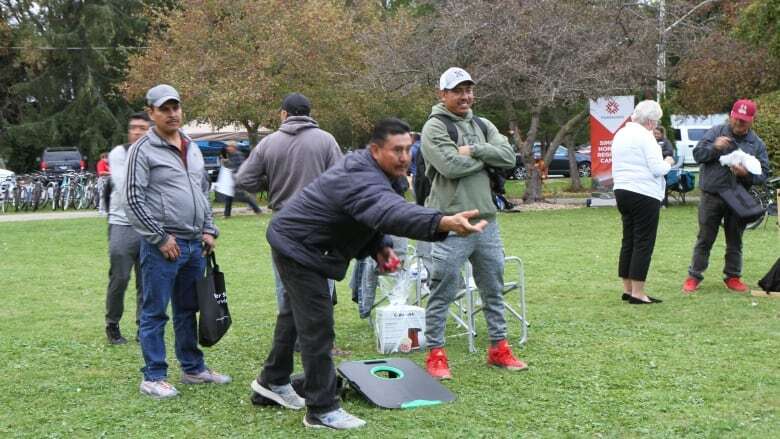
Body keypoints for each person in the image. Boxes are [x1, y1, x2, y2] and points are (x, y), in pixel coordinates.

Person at [253, 118, 487, 430]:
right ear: (375, 150)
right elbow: (388, 211)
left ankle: (272, 381)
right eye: (396, 150)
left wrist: (381, 247)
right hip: (299, 247)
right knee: (317, 325)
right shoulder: (361, 176)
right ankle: (322, 409)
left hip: (300, 243)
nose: (405, 157)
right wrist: (442, 222)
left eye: (408, 149)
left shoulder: (381, 173)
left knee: (295, 316)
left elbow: (368, 216)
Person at [124, 84, 230, 399]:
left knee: (188, 309)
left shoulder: (191, 146)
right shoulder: (142, 150)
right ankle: (153, 376)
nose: (172, 114)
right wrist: (160, 237)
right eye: (164, 109)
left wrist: (209, 229)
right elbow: (133, 198)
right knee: (155, 311)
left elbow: (202, 191)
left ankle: (192, 368)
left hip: (194, 244)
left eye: (176, 107)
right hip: (163, 246)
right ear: (151, 112)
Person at [420, 67, 525, 380]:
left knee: (493, 288)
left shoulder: (482, 124)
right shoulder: (434, 127)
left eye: (468, 89)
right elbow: (450, 165)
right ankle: (436, 355)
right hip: (450, 222)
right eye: (457, 91)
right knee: (443, 289)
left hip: (487, 221)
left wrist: (476, 150)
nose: (465, 96)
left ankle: (498, 348)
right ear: (443, 94)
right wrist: (487, 158)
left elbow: (509, 158)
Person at [235, 92, 342, 311]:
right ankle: (320, 340)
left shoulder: (268, 143)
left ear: (283, 114)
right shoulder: (326, 140)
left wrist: (271, 182)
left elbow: (244, 180)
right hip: (319, 221)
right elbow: (343, 182)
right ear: (309, 114)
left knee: (286, 282)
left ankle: (291, 338)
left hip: (284, 223)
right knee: (321, 278)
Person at [682, 99, 770, 294]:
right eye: (737, 119)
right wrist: (715, 147)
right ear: (731, 115)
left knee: (735, 240)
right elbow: (698, 154)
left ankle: (733, 276)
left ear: (752, 120)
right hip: (712, 195)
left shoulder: (756, 143)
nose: (739, 123)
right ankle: (694, 276)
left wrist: (746, 174)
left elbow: (764, 173)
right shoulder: (716, 132)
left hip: (737, 198)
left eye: (744, 121)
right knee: (705, 238)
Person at [611, 100, 675, 304]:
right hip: (644, 193)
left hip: (622, 190)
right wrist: (668, 162)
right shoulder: (646, 137)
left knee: (628, 239)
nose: (656, 126)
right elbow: (657, 169)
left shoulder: (620, 134)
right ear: (649, 122)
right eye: (655, 122)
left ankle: (628, 289)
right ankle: (638, 293)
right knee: (643, 241)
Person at [104, 112, 150, 344]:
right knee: (120, 278)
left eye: (143, 127)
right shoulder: (119, 153)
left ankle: (144, 326)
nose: (138, 131)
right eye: (134, 127)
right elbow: (125, 189)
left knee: (147, 281)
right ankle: (112, 324)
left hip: (150, 228)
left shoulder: (155, 154)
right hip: (122, 224)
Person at [220, 140, 261, 217]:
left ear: (233, 147)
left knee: (242, 197)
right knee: (229, 197)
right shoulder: (231, 155)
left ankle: (257, 210)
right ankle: (227, 214)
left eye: (229, 146)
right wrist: (226, 163)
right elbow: (231, 165)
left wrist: (232, 169)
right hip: (232, 178)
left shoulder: (238, 155)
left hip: (237, 178)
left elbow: (241, 167)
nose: (228, 148)